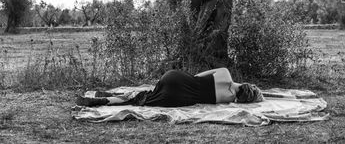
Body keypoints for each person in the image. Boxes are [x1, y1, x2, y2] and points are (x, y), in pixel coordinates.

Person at [76, 68, 264, 107]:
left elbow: (198, 76)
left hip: (176, 78)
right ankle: (101, 100)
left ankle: (108, 95)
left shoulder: (225, 73)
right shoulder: (229, 100)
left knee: (146, 91)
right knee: (140, 100)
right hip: (177, 98)